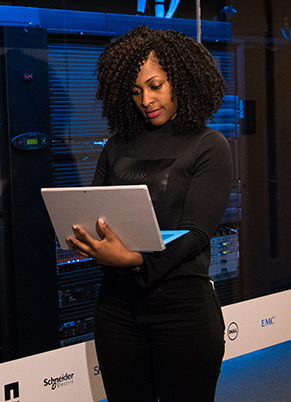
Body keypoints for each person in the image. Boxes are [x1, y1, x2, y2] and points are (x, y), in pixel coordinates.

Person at [65, 25, 232, 402]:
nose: (146, 99)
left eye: (155, 86)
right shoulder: (116, 146)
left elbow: (196, 233)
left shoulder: (209, 145)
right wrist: (86, 238)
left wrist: (136, 260)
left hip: (183, 309)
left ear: (182, 81)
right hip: (116, 309)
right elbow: (97, 213)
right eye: (136, 91)